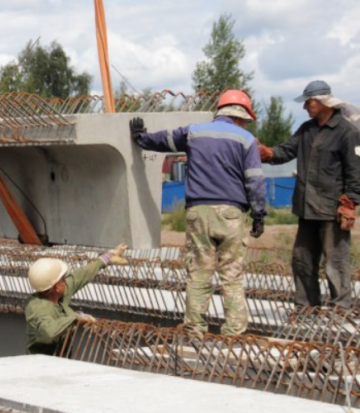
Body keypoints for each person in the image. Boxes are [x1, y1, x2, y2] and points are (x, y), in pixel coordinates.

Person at [129, 89, 267, 339]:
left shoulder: (194, 132)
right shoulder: (246, 140)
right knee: (231, 276)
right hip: (231, 214)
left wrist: (140, 138)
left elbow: (164, 140)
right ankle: (234, 335)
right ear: (240, 117)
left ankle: (194, 332)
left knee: (199, 274)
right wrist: (259, 214)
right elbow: (255, 181)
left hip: (198, 213)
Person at [258, 80, 360, 309]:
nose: (305, 106)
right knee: (301, 259)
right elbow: (286, 151)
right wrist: (268, 153)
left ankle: (341, 309)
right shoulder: (306, 129)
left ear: (323, 101)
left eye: (309, 102)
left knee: (335, 261)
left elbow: (356, 170)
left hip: (332, 210)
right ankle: (306, 308)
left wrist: (350, 202)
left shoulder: (347, 132)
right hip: (307, 208)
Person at [25, 244, 127, 355]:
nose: (66, 281)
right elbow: (48, 332)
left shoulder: (55, 293)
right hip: (41, 362)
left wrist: (104, 259)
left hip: (60, 358)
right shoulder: (39, 307)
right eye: (63, 279)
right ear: (57, 286)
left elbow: (78, 277)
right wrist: (76, 317)